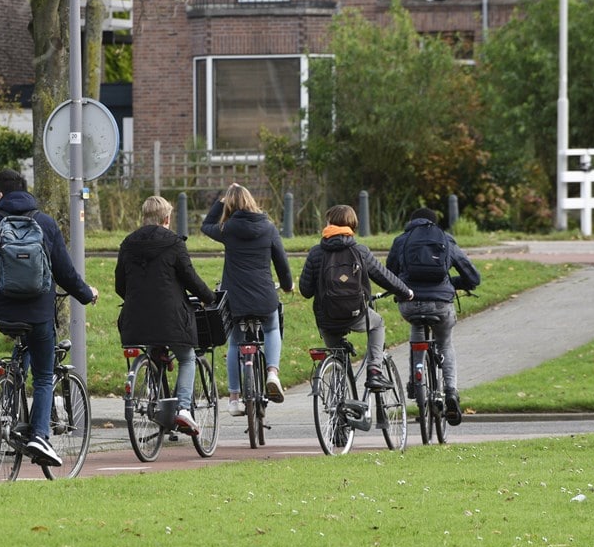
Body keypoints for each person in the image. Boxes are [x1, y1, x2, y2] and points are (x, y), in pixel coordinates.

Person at [0, 168, 98, 466]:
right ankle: (39, 435)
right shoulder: (44, 222)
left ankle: (7, 393)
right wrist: (86, 294)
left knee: (22, 347)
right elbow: (65, 273)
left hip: (3, 312)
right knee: (44, 375)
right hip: (39, 311)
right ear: (25, 189)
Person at [116, 196, 216, 435]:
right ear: (167, 218)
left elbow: (120, 285)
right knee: (186, 357)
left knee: (153, 349)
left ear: (144, 217)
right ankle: (183, 409)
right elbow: (190, 277)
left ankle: (154, 395)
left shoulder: (127, 244)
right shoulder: (173, 243)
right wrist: (209, 297)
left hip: (135, 319)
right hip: (170, 318)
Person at [201, 183, 294, 416]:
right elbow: (281, 263)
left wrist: (221, 201)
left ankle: (233, 399)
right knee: (272, 329)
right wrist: (287, 285)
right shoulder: (268, 228)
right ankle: (272, 372)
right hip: (264, 295)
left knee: (235, 343)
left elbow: (205, 226)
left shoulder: (227, 229)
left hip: (236, 298)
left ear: (230, 205)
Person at [299, 205, 413, 389]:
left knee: (336, 354)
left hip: (327, 318)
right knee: (378, 324)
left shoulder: (316, 253)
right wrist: (406, 292)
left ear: (329, 223)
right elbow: (384, 276)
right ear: (352, 225)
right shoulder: (360, 251)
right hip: (356, 314)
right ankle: (375, 371)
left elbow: (305, 291)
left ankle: (339, 400)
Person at [386, 207, 481, 425]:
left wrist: (401, 290)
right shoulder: (445, 239)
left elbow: (389, 275)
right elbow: (472, 276)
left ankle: (416, 383)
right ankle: (450, 392)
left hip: (410, 304)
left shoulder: (402, 240)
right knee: (445, 344)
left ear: (411, 222)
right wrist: (454, 284)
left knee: (416, 334)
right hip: (441, 305)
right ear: (434, 223)